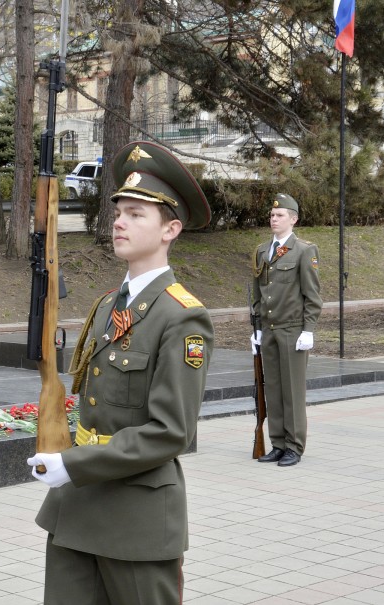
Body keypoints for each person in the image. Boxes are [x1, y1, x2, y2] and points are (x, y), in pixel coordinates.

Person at [27, 141, 214, 605]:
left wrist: (72, 464)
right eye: (119, 212)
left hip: (136, 517)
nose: (119, 221)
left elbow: (171, 432)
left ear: (171, 229)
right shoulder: (109, 304)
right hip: (77, 509)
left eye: (136, 214)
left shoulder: (181, 317)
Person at [251, 193, 322, 467]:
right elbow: (259, 293)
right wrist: (256, 328)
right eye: (271, 215)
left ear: (293, 219)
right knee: (274, 390)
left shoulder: (304, 250)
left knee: (293, 392)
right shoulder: (261, 250)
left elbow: (312, 295)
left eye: (279, 215)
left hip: (293, 330)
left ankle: (294, 446)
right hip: (269, 330)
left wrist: (309, 329)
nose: (274, 219)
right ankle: (278, 443)